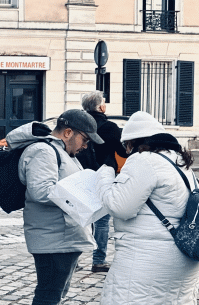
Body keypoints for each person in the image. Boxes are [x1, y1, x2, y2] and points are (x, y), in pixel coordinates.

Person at [95, 111, 199, 305]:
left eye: (126, 145)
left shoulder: (144, 159)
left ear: (133, 142)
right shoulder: (180, 162)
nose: (126, 152)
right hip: (184, 257)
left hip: (148, 260)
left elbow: (120, 207)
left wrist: (106, 171)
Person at [7, 109, 102, 305]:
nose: (86, 145)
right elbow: (41, 191)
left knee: (55, 294)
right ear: (68, 133)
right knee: (48, 296)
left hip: (63, 237)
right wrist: (80, 197)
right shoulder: (43, 151)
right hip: (53, 239)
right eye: (85, 139)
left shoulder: (64, 153)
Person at [74, 90, 127, 273]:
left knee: (78, 219)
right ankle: (98, 261)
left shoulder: (77, 125)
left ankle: (72, 261)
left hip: (80, 175)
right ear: (102, 107)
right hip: (103, 176)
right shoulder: (110, 127)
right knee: (102, 222)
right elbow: (122, 152)